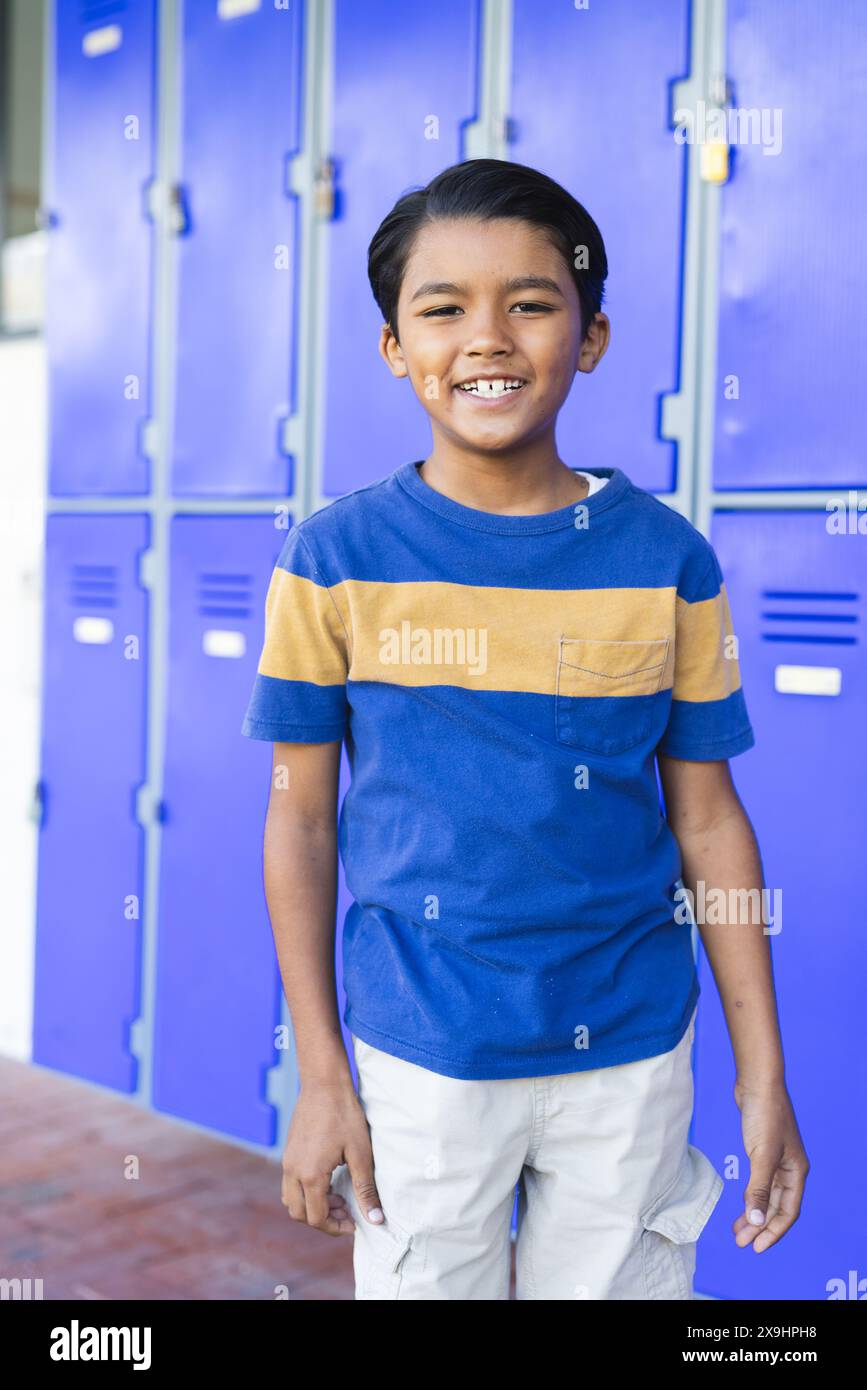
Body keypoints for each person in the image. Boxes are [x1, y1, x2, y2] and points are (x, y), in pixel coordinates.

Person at [241, 158, 809, 1300]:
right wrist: (321, 1072)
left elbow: (708, 819)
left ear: (591, 336)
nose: (486, 339)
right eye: (442, 310)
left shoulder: (666, 558)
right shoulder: (332, 560)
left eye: (532, 304)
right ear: (396, 348)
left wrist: (763, 1070)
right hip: (421, 1058)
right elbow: (300, 825)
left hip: (632, 1055)